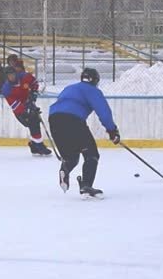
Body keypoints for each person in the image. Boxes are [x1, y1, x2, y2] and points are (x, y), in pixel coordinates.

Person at [48, 68, 120, 199]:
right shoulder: (93, 90)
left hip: (54, 119)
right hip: (73, 120)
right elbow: (104, 112)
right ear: (96, 81)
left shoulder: (70, 88)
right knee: (91, 154)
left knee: (71, 157)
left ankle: (65, 169)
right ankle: (86, 185)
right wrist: (112, 131)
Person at [1, 66, 52, 156]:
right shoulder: (6, 89)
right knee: (33, 123)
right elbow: (14, 104)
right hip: (19, 111)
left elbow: (34, 82)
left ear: (16, 73)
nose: (11, 77)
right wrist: (26, 110)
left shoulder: (25, 77)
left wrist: (34, 92)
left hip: (29, 103)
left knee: (35, 123)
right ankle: (36, 145)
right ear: (6, 77)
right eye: (9, 75)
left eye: (12, 74)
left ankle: (37, 146)